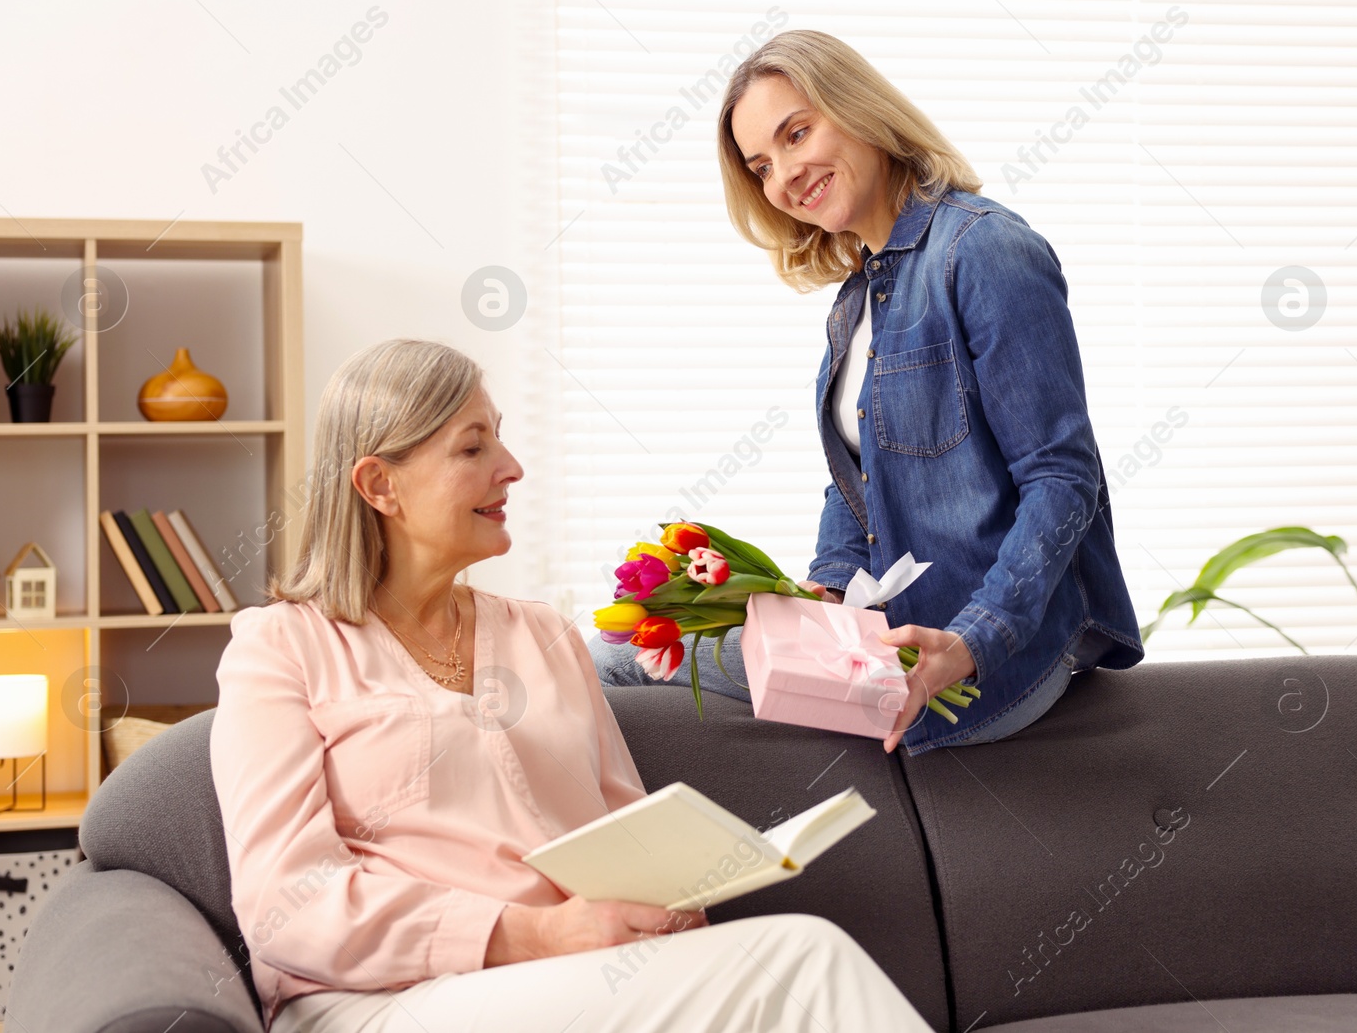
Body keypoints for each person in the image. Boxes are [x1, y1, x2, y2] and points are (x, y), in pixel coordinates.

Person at [210, 339, 937, 1033]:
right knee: (802, 959)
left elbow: (626, 832)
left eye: (499, 437)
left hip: (576, 982)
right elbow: (283, 906)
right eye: (472, 447)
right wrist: (527, 932)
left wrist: (674, 904)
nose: (512, 466)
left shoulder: (543, 636)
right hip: (386, 1000)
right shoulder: (279, 647)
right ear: (379, 484)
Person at [592, 30, 1145, 755]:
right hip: (890, 637)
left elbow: (1063, 480)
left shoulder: (984, 251)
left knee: (607, 657)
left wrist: (971, 641)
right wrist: (822, 590)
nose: (785, 174)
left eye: (797, 133)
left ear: (858, 110)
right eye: (762, 165)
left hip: (992, 656)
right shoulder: (857, 300)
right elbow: (857, 483)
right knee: (615, 637)